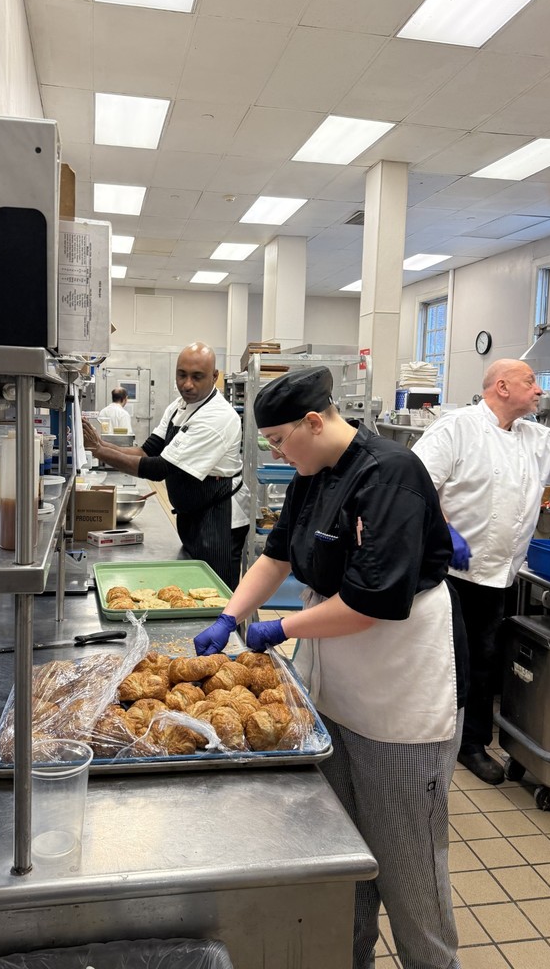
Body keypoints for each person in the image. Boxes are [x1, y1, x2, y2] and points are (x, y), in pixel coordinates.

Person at [194, 365, 469, 969]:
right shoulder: (311, 472)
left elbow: (374, 601)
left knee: (406, 861)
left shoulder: (390, 475)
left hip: (400, 689)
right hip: (335, 689)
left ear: (313, 422)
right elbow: (279, 554)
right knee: (347, 858)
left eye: (276, 442)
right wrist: (230, 613)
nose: (274, 453)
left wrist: (276, 629)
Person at [413, 358, 550, 784]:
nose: (539, 391)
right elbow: (416, 483)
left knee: (483, 659)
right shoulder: (455, 428)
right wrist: (446, 533)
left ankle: (471, 741)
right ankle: (446, 741)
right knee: (450, 661)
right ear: (502, 386)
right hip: (451, 573)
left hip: (500, 573)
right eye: (531, 382)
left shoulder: (536, 438)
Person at [82, 342, 249, 590]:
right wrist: (100, 444)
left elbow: (158, 468)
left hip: (219, 519)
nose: (187, 384)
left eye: (197, 377)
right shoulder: (178, 407)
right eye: (182, 375)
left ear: (214, 377)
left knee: (218, 597)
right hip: (193, 513)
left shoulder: (218, 417)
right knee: (193, 588)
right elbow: (146, 450)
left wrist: (98, 449)